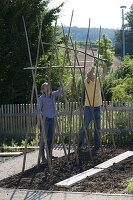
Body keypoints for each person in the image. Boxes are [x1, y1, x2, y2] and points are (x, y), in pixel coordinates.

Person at [37, 80, 72, 163]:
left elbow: (62, 90)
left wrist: (70, 82)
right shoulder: (41, 98)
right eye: (46, 86)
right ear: (43, 89)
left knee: (50, 138)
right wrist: (39, 122)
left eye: (48, 85)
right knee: (43, 139)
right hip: (45, 120)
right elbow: (38, 111)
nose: (47, 86)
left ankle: (49, 155)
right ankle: (43, 158)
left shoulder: (53, 95)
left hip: (52, 119)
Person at [79, 67, 106, 149]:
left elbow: (104, 72)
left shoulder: (98, 80)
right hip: (88, 107)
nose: (92, 77)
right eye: (91, 76)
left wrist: (104, 64)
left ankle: (97, 145)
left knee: (97, 127)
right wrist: (93, 67)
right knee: (84, 126)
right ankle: (81, 145)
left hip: (97, 107)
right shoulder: (87, 81)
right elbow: (88, 74)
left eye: (93, 76)